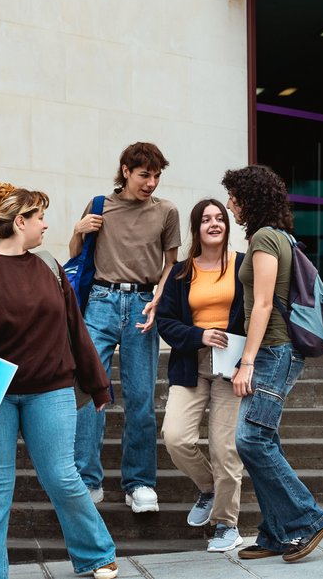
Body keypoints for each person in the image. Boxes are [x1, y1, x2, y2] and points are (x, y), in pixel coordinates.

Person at [0, 182, 119, 579]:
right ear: (19, 221)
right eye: (39, 217)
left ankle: (96, 554)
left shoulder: (49, 266)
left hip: (51, 389)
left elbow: (74, 327)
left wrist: (97, 383)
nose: (46, 225)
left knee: (62, 477)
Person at [221, 165, 323, 562]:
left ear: (250, 199)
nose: (230, 205)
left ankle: (308, 519)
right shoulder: (275, 236)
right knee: (262, 439)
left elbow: (265, 304)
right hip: (275, 351)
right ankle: (275, 533)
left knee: (250, 439)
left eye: (234, 197)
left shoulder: (267, 238)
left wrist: (247, 362)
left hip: (274, 351)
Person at [71, 142, 181, 513]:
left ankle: (140, 483)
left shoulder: (166, 212)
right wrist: (78, 229)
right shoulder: (100, 205)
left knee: (140, 398)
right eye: (144, 174)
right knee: (88, 393)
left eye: (156, 175)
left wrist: (157, 301)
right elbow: (75, 255)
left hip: (142, 303)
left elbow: (170, 265)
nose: (151, 182)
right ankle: (88, 480)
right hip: (100, 303)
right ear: (125, 170)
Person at [156, 199, 246, 553]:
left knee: (225, 449)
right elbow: (165, 322)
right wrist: (199, 335)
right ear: (196, 228)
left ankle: (226, 524)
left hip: (232, 367)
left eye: (219, 218)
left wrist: (249, 361)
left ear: (227, 225)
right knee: (175, 436)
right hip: (191, 365)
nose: (214, 223)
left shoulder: (242, 266)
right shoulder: (180, 272)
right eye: (206, 219)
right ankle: (209, 488)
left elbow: (258, 313)